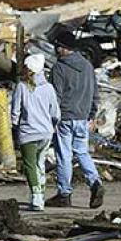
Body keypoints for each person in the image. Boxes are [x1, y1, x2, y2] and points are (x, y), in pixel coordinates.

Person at [46, 30, 104, 209]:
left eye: (58, 46)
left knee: (64, 156)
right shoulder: (87, 66)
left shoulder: (59, 68)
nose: (55, 49)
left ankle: (64, 193)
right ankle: (95, 182)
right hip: (82, 118)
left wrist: (52, 119)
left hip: (65, 118)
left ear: (64, 48)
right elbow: (95, 92)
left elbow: (56, 96)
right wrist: (92, 116)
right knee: (82, 152)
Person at [11, 53, 60, 211]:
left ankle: (37, 197)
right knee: (40, 163)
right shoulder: (48, 88)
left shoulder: (22, 87)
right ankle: (41, 193)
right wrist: (52, 125)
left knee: (30, 165)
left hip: (28, 133)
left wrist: (14, 127)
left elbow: (15, 111)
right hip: (46, 133)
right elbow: (55, 113)